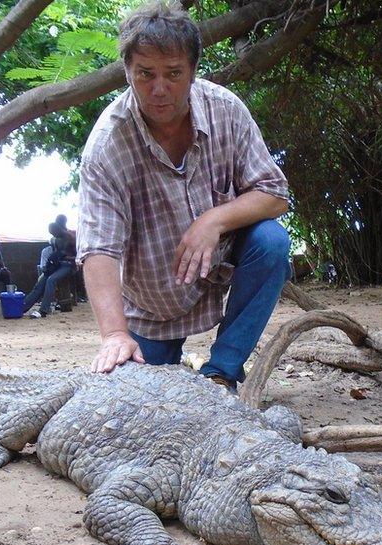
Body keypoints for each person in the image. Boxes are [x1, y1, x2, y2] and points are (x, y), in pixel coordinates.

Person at [76, 1, 291, 392]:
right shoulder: (107, 147)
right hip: (152, 305)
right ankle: (149, 350)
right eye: (145, 74)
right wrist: (113, 335)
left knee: (272, 241)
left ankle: (222, 371)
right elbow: (98, 249)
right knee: (139, 398)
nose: (159, 89)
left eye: (173, 73)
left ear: (193, 71)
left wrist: (212, 220)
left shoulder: (226, 110)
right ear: (127, 72)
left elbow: (274, 194)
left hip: (219, 268)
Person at [22, 223, 77, 318]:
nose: (53, 235)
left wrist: (65, 256)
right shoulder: (56, 240)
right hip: (57, 265)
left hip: (68, 265)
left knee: (51, 280)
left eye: (54, 233)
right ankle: (23, 307)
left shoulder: (71, 239)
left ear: (58, 230)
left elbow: (77, 256)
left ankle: (43, 310)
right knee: (41, 282)